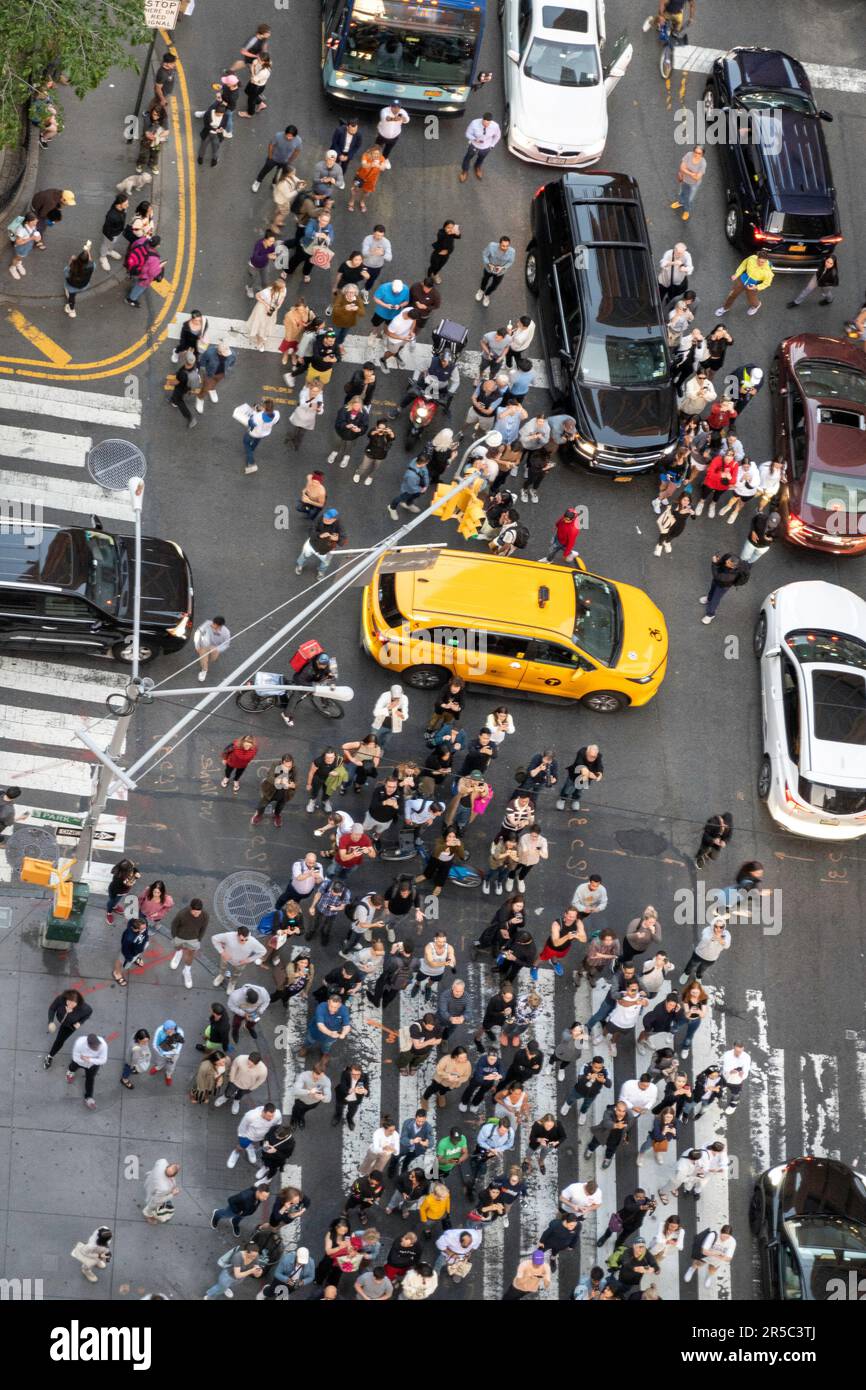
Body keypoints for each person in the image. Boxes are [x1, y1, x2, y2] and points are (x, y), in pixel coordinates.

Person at [44, 988, 92, 1069]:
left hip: (70, 1026)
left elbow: (89, 1013)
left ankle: (50, 1056)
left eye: (73, 1004)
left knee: (60, 1041)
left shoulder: (85, 1008)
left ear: (78, 1002)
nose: (70, 1005)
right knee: (59, 1037)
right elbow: (52, 1009)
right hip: (60, 1018)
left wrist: (80, 1023)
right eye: (68, 1002)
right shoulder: (60, 999)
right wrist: (51, 1021)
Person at [716, 251, 774, 318]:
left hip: (753, 285)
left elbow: (767, 283)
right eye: (758, 261)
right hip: (742, 279)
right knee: (732, 294)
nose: (760, 263)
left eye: (762, 262)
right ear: (757, 258)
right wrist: (736, 274)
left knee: (751, 300)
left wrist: (756, 287)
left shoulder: (768, 272)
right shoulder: (751, 258)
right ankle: (725, 308)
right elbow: (743, 265)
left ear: (766, 261)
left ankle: (756, 305)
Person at [700, 551, 750, 623]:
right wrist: (718, 561)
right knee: (712, 589)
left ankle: (710, 615)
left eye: (728, 563)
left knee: (715, 599)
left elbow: (717, 576)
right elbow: (721, 562)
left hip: (724, 585)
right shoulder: (729, 556)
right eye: (728, 561)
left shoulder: (730, 576)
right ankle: (708, 599)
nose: (726, 562)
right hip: (718, 578)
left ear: (733, 567)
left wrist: (714, 563)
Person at [584, 1100, 635, 1170]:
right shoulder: (609, 1112)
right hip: (603, 1133)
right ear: (616, 1108)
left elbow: (629, 1128)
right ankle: (590, 1150)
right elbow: (606, 1123)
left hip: (616, 1137)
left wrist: (626, 1136)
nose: (621, 1113)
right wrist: (616, 1125)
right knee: (594, 1142)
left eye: (623, 1111)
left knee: (611, 1149)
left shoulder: (630, 1117)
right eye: (619, 1110)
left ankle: (607, 1158)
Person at [295, 507, 346, 577]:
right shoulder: (320, 518)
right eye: (325, 517)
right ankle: (300, 565)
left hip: (327, 549)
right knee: (303, 555)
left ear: (334, 520)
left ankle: (321, 572)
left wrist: (337, 539)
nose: (325, 520)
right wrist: (319, 535)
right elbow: (310, 531)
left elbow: (343, 541)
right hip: (312, 544)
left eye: (328, 519)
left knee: (325, 563)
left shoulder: (339, 525)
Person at [561, 1055, 612, 1123]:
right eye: (595, 1067)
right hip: (579, 1090)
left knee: (586, 1105)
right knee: (571, 1098)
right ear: (592, 1064)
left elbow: (609, 1085)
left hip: (592, 1094)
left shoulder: (605, 1071)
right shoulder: (585, 1067)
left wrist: (603, 1080)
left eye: (600, 1067)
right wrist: (588, 1078)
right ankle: (567, 1105)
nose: (597, 1070)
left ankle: (583, 1113)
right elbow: (579, 1079)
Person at [251, 124, 302, 192]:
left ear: (295, 136)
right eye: (288, 135)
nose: (289, 138)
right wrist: (270, 156)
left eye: (291, 136)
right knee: (265, 170)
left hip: (285, 161)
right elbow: (271, 145)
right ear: (285, 133)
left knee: (279, 173)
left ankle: (274, 183)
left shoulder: (298, 140)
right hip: (273, 158)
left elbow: (297, 151)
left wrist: (290, 160)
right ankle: (258, 181)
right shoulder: (278, 136)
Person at [66, 1032, 108, 1109]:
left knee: (90, 1079)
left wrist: (88, 1059)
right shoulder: (79, 1043)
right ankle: (70, 1072)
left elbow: (103, 1060)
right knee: (73, 1066)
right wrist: (87, 1060)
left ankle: (89, 1097)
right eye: (95, 1048)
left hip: (92, 1065)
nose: (98, 1049)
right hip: (79, 1062)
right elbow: (75, 1058)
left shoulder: (103, 1044)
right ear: (88, 1045)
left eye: (97, 1047)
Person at [241, 398, 280, 476]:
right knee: (256, 441)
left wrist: (254, 412)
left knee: (246, 443)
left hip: (254, 433)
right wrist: (261, 409)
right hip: (264, 433)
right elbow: (276, 421)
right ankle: (252, 450)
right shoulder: (277, 414)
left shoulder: (257, 416)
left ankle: (252, 463)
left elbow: (250, 424)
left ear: (265, 408)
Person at [460, 112, 501, 181]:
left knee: (481, 158)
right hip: (474, 145)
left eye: (488, 124)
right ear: (482, 119)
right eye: (485, 123)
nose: (486, 125)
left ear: (491, 122)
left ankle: (477, 167)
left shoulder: (495, 126)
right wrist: (474, 139)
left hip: (486, 147)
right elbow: (467, 134)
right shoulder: (474, 123)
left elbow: (497, 136)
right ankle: (464, 171)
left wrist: (492, 145)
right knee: (468, 157)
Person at [477, 236, 515, 308]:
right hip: (489, 268)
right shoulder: (491, 246)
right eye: (503, 246)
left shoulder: (512, 251)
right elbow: (485, 255)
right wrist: (488, 264)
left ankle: (486, 294)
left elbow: (510, 262)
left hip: (500, 272)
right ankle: (481, 290)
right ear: (499, 244)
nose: (505, 248)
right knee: (485, 280)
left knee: (494, 285)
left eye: (507, 246)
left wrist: (503, 267)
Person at [670, 146, 706, 220]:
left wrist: (686, 170)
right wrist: (691, 173)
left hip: (694, 184)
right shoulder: (689, 155)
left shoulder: (703, 163)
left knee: (689, 199)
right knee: (681, 193)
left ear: (702, 155)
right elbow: (681, 167)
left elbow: (697, 178)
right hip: (684, 180)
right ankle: (680, 203)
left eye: (699, 153)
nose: (696, 154)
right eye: (695, 152)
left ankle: (686, 211)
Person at [112, 913, 149, 986]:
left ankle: (135, 958)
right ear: (136, 929)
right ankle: (117, 973)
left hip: (137, 949)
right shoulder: (129, 938)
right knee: (120, 960)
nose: (145, 929)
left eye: (145, 927)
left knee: (135, 954)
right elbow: (124, 950)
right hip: (129, 952)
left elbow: (145, 933)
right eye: (143, 929)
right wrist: (129, 958)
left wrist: (146, 939)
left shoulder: (143, 923)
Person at [348, 145, 387, 212]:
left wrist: (378, 165)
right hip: (360, 177)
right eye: (374, 153)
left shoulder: (382, 158)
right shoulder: (366, 155)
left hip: (371, 180)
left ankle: (362, 201)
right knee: (355, 189)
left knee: (366, 192)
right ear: (371, 152)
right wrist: (371, 164)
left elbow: (383, 168)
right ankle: (352, 201)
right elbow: (363, 165)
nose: (376, 155)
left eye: (378, 154)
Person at [142, 1159, 180, 1223]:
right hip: (154, 1195)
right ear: (173, 1176)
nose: (177, 1166)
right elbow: (157, 1200)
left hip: (151, 1182)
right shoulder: (164, 1188)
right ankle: (147, 1214)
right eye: (175, 1166)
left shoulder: (163, 1161)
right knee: (151, 1207)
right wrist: (172, 1194)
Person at [194, 614, 230, 683]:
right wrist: (197, 646)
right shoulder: (208, 623)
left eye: (214, 624)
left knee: (213, 659)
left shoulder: (226, 633)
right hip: (204, 645)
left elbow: (226, 645)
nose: (212, 625)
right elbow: (198, 632)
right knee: (204, 659)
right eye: (213, 623)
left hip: (215, 648)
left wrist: (217, 649)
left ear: (220, 626)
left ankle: (206, 662)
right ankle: (204, 670)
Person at [62, 241, 94, 319]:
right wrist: (87, 252)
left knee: (71, 297)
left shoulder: (72, 268)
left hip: (72, 286)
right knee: (74, 294)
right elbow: (91, 261)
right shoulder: (91, 266)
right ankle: (71, 310)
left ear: (77, 258)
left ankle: (71, 309)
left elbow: (66, 272)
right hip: (84, 285)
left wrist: (71, 260)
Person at [150, 1020, 184, 1085]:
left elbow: (179, 1046)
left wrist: (173, 1054)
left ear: (173, 1029)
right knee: (160, 1061)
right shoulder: (160, 1030)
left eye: (169, 1031)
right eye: (165, 1031)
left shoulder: (180, 1032)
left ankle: (168, 1074)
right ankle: (159, 1067)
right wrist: (161, 1053)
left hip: (174, 1054)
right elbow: (155, 1044)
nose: (166, 1033)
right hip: (161, 1052)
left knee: (171, 1066)